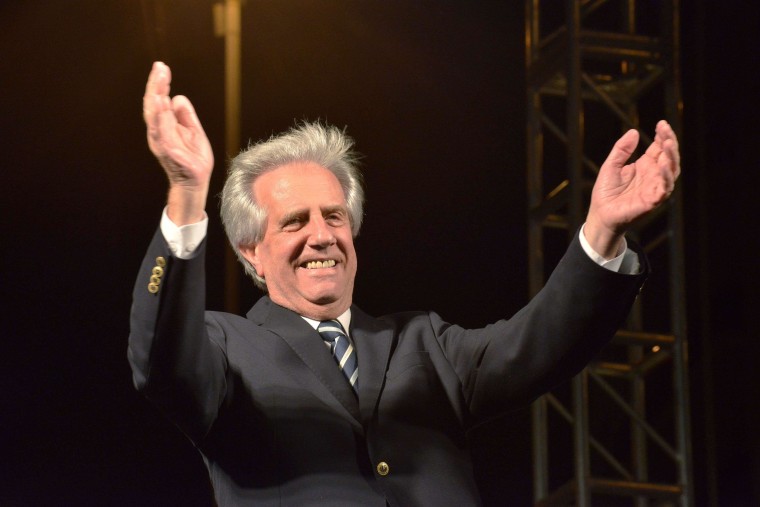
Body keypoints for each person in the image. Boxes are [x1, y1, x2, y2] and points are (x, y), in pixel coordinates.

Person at [129, 61, 680, 506]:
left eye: (334, 216)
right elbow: (161, 359)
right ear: (252, 250)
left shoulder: (425, 343)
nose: (321, 236)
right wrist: (185, 193)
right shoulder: (225, 351)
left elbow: (539, 344)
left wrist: (603, 229)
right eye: (294, 222)